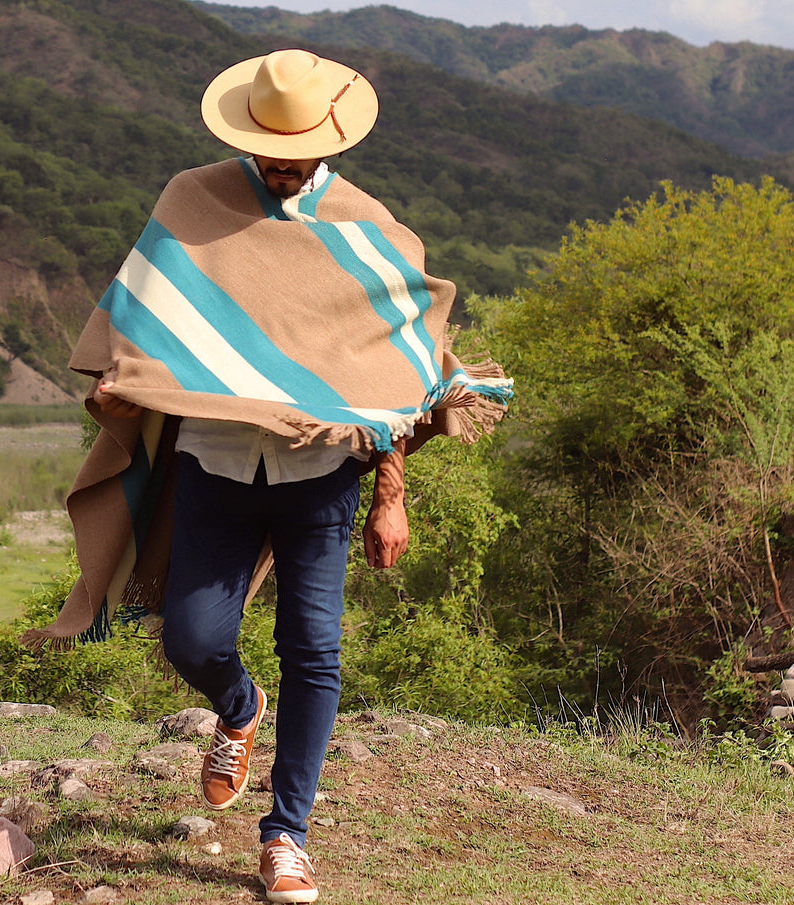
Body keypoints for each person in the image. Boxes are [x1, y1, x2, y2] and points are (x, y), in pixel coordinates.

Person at [25, 48, 512, 904]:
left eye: (298, 152)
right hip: (212, 460)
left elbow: (395, 377)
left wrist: (390, 494)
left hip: (321, 474)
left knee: (314, 650)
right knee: (191, 637)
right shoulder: (192, 201)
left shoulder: (367, 229)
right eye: (268, 150)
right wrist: (118, 399)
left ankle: (286, 836)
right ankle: (239, 707)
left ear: (330, 141)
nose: (283, 167)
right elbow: (153, 329)